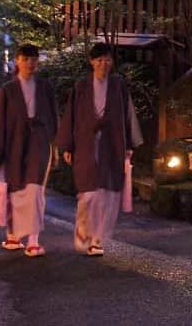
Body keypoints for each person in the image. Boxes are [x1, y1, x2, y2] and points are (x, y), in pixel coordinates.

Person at [56, 43, 142, 257]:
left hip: (111, 144)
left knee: (107, 195)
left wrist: (129, 144)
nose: (104, 64)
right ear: (91, 62)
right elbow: (71, 116)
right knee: (88, 194)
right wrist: (67, 145)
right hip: (86, 143)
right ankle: (83, 231)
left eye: (107, 60)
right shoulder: (81, 87)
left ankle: (97, 239)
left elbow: (128, 114)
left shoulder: (118, 85)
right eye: (100, 60)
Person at [0, 44, 59, 257]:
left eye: (34, 59)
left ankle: (33, 239)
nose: (30, 63)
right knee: (14, 190)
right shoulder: (7, 91)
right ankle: (13, 235)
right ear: (17, 61)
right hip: (13, 144)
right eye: (25, 59)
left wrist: (56, 146)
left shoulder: (45, 88)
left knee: (34, 191)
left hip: (40, 142)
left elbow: (53, 118)